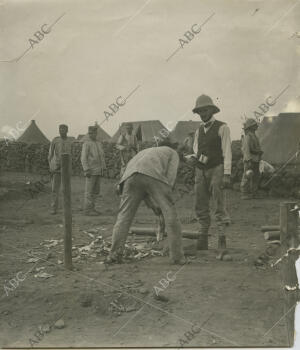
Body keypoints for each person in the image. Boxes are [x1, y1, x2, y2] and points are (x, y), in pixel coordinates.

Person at [107, 137, 185, 265]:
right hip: (151, 174)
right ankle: (177, 256)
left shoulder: (146, 151)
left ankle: (114, 255)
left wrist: (153, 205)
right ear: (173, 147)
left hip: (130, 177)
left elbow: (141, 185)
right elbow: (169, 179)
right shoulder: (173, 152)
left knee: (124, 217)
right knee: (171, 215)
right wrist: (165, 201)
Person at [188, 94, 232, 250]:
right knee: (200, 204)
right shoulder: (199, 130)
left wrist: (226, 173)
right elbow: (196, 151)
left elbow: (227, 151)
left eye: (205, 110)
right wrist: (191, 159)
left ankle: (221, 239)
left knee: (219, 203)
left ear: (212, 110)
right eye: (200, 111)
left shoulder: (223, 127)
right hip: (200, 170)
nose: (202, 113)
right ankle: (203, 238)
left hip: (217, 169)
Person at [80, 126, 106, 215]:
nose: (92, 134)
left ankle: (92, 208)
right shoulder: (86, 143)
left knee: (96, 191)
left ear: (96, 133)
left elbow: (102, 157)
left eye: (94, 133)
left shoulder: (98, 143)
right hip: (91, 171)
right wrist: (86, 169)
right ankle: (87, 210)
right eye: (90, 133)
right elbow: (83, 158)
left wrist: (103, 168)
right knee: (89, 191)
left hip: (98, 170)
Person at [48, 124, 73, 215]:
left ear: (67, 131)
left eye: (63, 130)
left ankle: (67, 208)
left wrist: (70, 168)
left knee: (66, 189)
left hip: (66, 169)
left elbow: (71, 156)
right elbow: (50, 155)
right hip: (57, 169)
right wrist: (51, 167)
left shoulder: (70, 141)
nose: (61, 131)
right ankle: (54, 208)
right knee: (55, 189)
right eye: (60, 129)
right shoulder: (55, 140)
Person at [240, 118, 263, 199]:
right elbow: (246, 149)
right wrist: (248, 160)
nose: (256, 126)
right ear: (251, 127)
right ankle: (244, 193)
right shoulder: (248, 137)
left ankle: (254, 193)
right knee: (247, 176)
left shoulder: (254, 136)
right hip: (250, 160)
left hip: (255, 159)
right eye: (254, 125)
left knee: (255, 176)